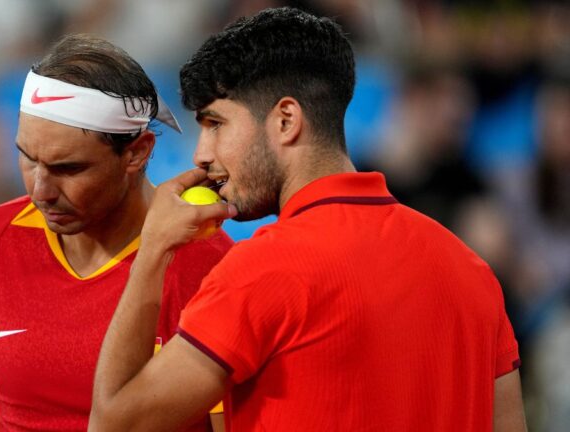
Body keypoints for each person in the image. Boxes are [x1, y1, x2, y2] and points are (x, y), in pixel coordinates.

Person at [89, 7, 527, 431]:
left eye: (216, 124)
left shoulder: (259, 271)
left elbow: (114, 424)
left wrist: (152, 252)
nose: (202, 155)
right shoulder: (471, 271)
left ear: (285, 121)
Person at [0, 34, 232, 431]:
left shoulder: (211, 265)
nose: (41, 191)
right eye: (27, 158)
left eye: (68, 169)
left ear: (137, 153)